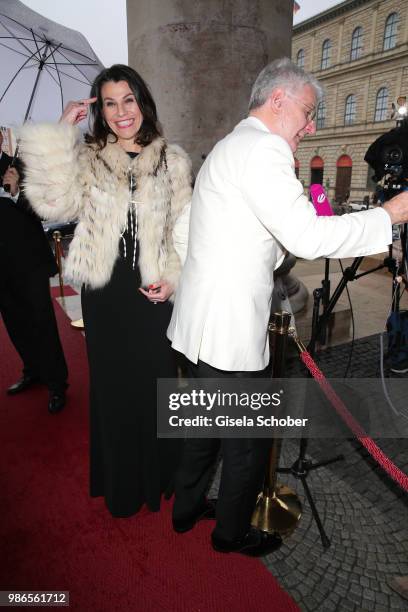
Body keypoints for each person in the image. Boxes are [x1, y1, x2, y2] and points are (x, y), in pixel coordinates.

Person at [167, 57, 408, 556]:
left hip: (196, 327)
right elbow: (306, 235)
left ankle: (186, 509)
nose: (311, 124)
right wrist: (387, 214)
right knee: (246, 446)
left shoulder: (228, 147)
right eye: (308, 111)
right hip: (229, 336)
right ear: (279, 101)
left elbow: (186, 231)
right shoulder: (264, 151)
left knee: (204, 432)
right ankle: (230, 534)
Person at [19, 65, 192, 518]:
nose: (120, 112)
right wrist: (61, 133)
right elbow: (52, 204)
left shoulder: (171, 159)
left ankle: (158, 477)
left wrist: (174, 279)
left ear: (143, 102)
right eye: (110, 103)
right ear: (101, 110)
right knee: (113, 390)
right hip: (106, 294)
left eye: (128, 100)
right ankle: (122, 485)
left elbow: (185, 231)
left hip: (153, 291)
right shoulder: (89, 157)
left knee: (156, 385)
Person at [0, 132, 68, 413]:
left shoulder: (19, 165)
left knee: (41, 323)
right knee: (15, 323)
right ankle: (33, 370)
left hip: (28, 262)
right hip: (1, 266)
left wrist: (15, 191)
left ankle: (56, 382)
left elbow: (44, 211)